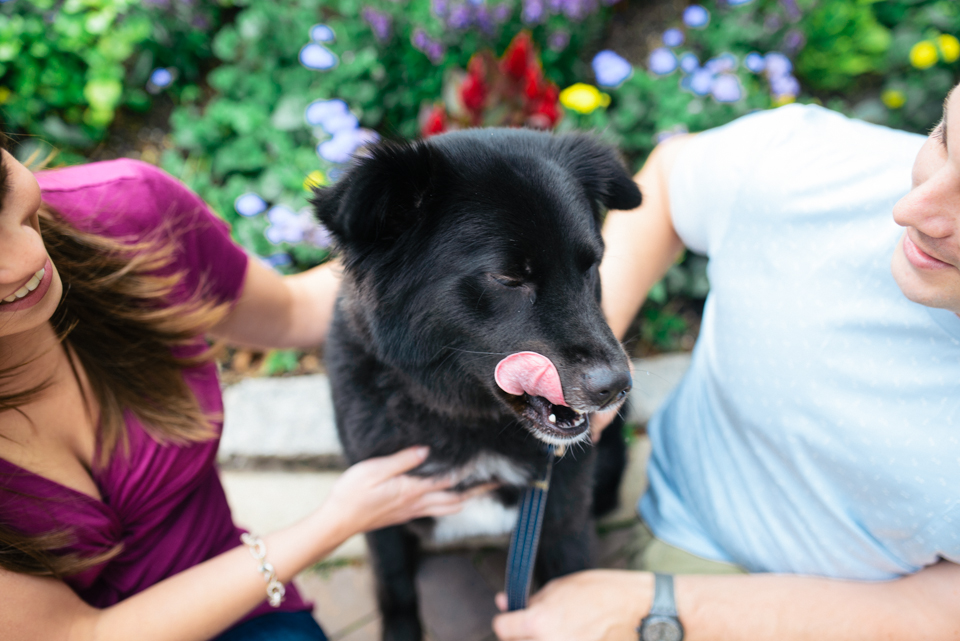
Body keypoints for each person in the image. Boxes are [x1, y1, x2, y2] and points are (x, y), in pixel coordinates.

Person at [493, 87, 960, 639]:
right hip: (685, 519)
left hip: (870, 611)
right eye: (945, 138)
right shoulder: (811, 163)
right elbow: (666, 183)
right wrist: (580, 358)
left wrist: (655, 607)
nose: (911, 210)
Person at [0, 139, 483, 641]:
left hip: (243, 603)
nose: (27, 259)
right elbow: (79, 634)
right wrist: (336, 521)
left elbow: (294, 310)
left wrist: (457, 242)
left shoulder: (127, 215)